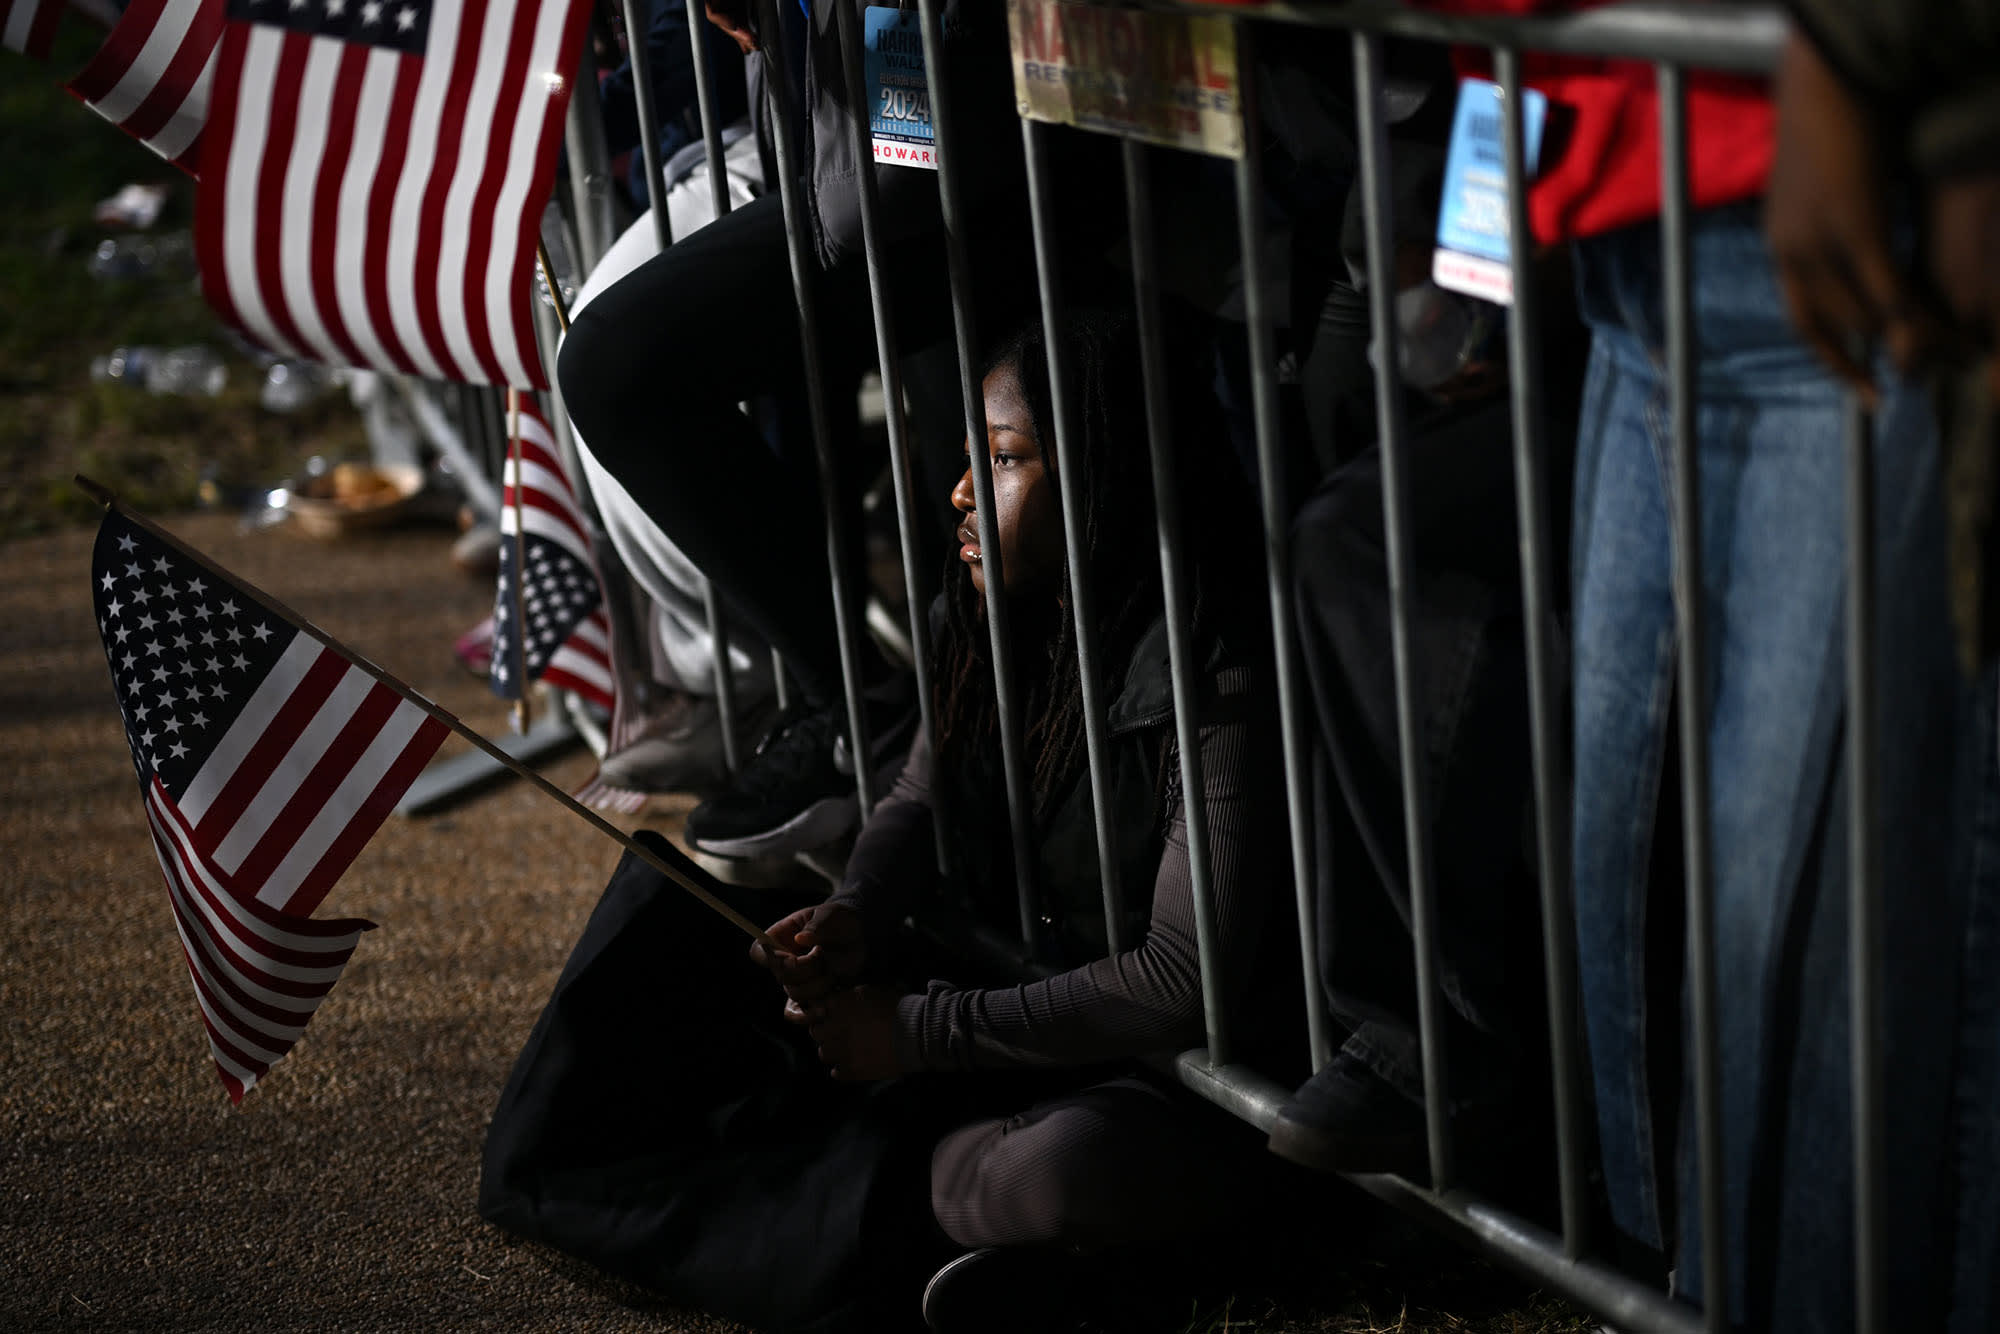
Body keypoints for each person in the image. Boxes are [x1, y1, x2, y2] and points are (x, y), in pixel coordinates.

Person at [482, 311, 1299, 1333]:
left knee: (1056, 1172)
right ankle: (971, 1240)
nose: (959, 491)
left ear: (1108, 471)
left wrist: (920, 1032)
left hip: (1163, 1077)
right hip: (1004, 1011)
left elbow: (1178, 977)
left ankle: (991, 1234)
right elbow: (916, 795)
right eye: (964, 457)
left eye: (1001, 458)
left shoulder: (1210, 663)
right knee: (677, 946)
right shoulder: (996, 607)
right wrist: (855, 912)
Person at [1385, 2, 1966, 1328]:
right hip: (1631, 211)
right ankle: (1696, 1283)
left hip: (1820, 197)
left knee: (1802, 937)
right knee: (1654, 893)